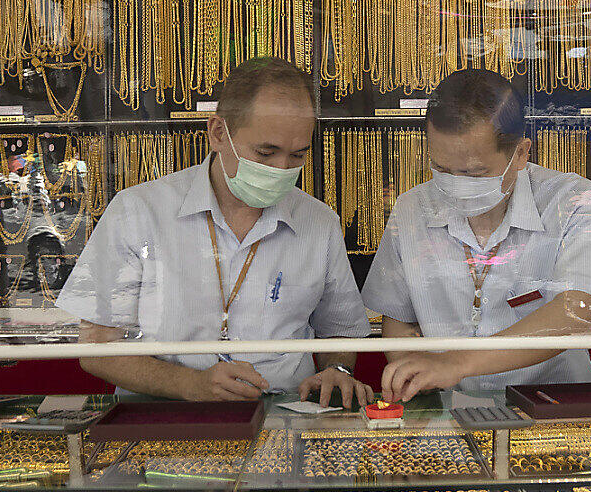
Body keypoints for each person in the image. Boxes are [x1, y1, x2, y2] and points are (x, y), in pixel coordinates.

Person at [57, 57, 373, 408]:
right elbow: (97, 348)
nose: (282, 170)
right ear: (218, 133)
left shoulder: (319, 223)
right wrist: (189, 384)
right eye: (265, 153)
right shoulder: (138, 212)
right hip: (161, 418)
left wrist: (338, 369)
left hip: (283, 417)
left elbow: (340, 328)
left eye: (298, 155)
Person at [361, 69, 591, 402]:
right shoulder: (412, 208)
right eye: (441, 168)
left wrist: (456, 363)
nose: (455, 183)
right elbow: (397, 317)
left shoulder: (576, 201)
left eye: (474, 172)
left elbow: (577, 310)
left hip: (556, 408)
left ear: (521, 153)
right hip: (452, 413)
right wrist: (417, 374)